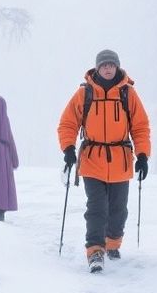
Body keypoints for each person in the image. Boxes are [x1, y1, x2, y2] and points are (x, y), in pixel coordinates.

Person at [58, 49, 151, 273]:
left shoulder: (128, 93)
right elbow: (68, 123)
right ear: (97, 68)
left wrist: (143, 156)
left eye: (112, 65)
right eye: (104, 65)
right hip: (92, 160)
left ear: (117, 67)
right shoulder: (85, 93)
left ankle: (112, 244)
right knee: (97, 208)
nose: (108, 68)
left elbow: (140, 127)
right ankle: (95, 251)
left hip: (121, 161)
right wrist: (68, 148)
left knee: (118, 210)